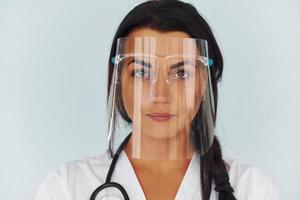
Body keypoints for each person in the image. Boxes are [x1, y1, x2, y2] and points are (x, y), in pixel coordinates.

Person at [35, 0, 280, 200]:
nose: (160, 94)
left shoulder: (251, 189)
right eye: (142, 72)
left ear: (204, 82)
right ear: (118, 80)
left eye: (181, 72)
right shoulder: (66, 188)